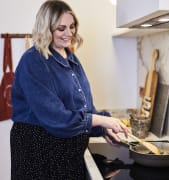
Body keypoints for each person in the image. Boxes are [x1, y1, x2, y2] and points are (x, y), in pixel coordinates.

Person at [10, 0, 129, 179]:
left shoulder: (71, 58)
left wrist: (103, 129)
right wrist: (100, 121)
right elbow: (56, 118)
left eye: (72, 26)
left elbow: (84, 108)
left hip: (67, 154)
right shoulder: (33, 61)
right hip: (39, 153)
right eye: (61, 28)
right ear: (46, 29)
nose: (69, 33)